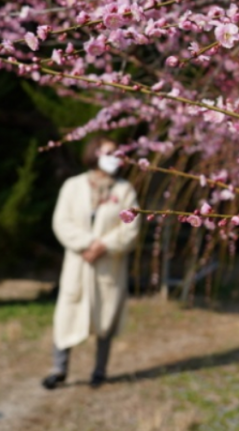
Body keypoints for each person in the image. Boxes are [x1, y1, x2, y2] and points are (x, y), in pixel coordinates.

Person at [42, 136, 141, 389]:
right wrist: (86, 243)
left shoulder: (124, 190)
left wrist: (103, 245)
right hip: (79, 263)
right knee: (67, 316)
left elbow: (130, 228)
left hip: (108, 265)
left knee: (106, 317)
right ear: (94, 154)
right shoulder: (73, 186)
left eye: (117, 153)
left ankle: (99, 371)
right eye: (108, 152)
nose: (114, 157)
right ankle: (59, 369)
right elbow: (62, 222)